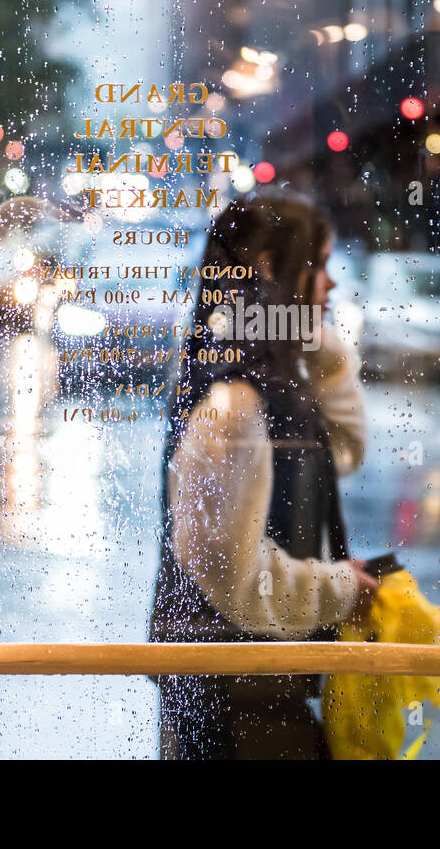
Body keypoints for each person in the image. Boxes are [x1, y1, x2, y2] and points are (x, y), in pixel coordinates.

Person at [148, 192, 380, 759]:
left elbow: (342, 451)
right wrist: (342, 588)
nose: (328, 285)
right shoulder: (233, 403)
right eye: (318, 264)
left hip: (255, 685)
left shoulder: (265, 382)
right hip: (232, 699)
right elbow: (235, 583)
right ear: (270, 266)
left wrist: (308, 337)